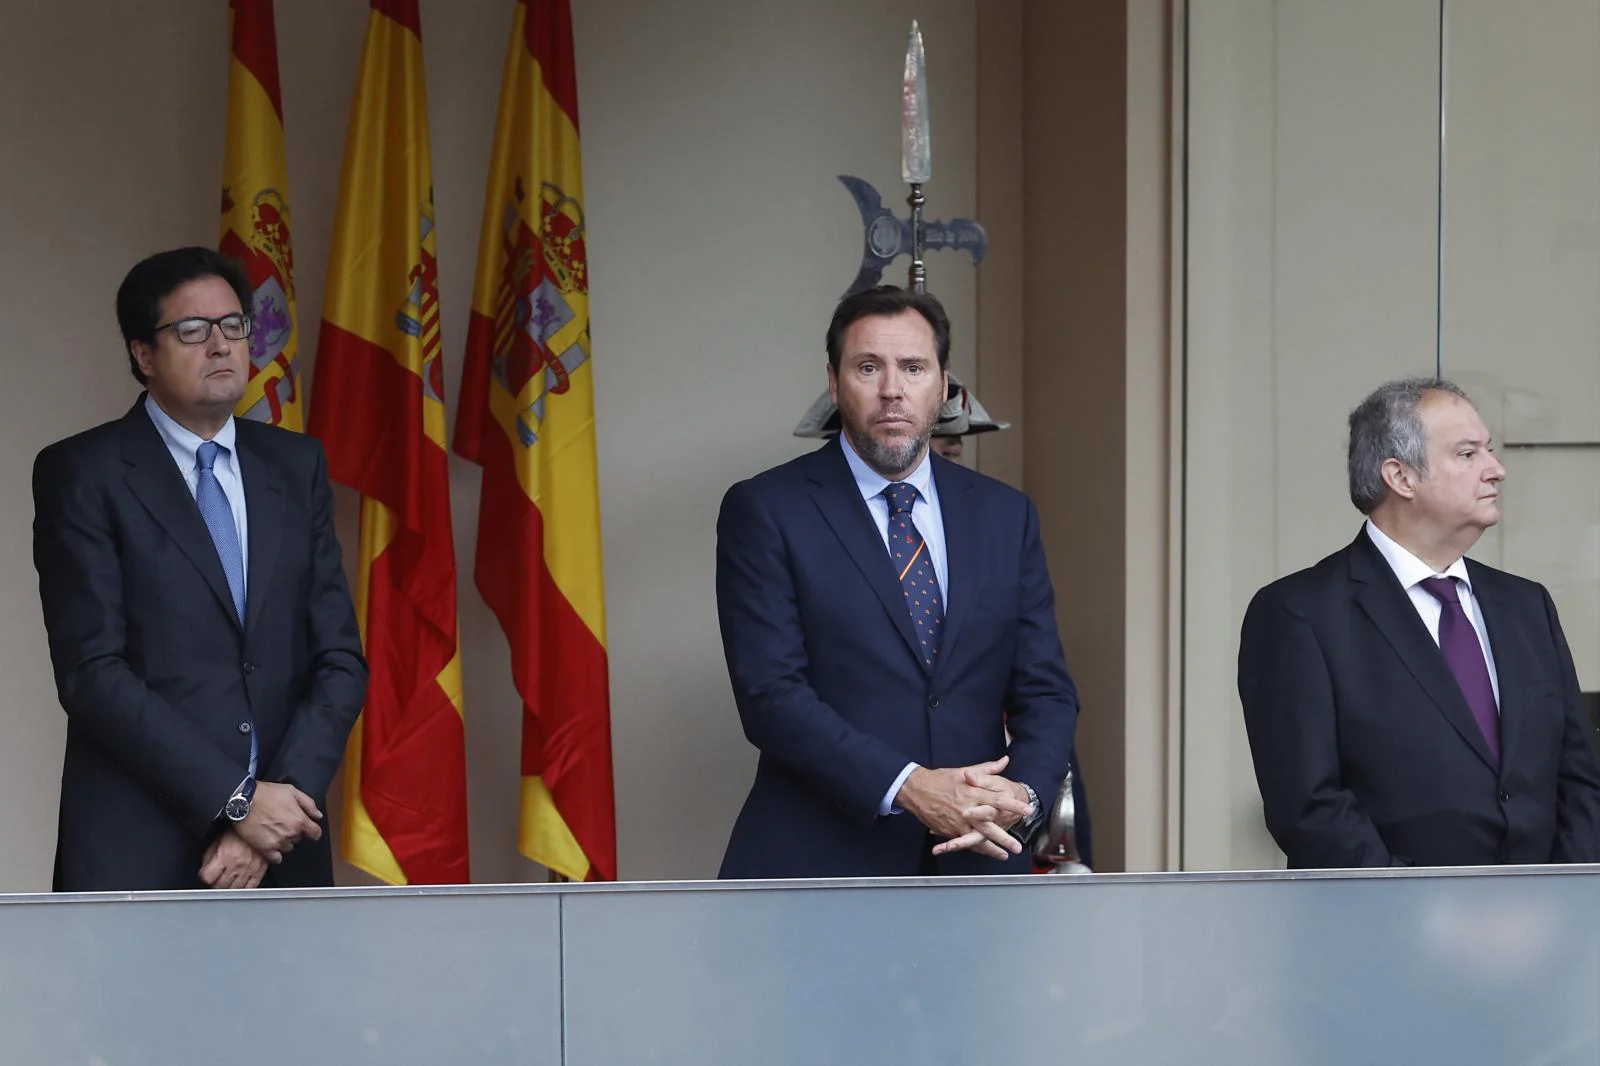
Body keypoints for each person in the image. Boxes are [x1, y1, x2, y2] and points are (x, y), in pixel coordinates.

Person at [715, 285, 1080, 878]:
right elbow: (770, 696)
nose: (892, 390)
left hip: (980, 866)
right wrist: (908, 786)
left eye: (913, 367)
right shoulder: (766, 509)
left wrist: (1023, 800)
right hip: (817, 870)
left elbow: (1046, 691)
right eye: (868, 367)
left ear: (942, 385)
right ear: (834, 384)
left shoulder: (1005, 515)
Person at [33, 246, 367, 891]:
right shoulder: (84, 472)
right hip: (136, 845)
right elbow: (92, 673)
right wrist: (234, 801)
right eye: (192, 330)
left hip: (282, 847)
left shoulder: (295, 469)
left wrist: (278, 807)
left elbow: (339, 659)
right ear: (142, 354)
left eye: (234, 325)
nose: (220, 345)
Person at [1238, 377, 1600, 868]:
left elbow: (1579, 776)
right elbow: (1307, 807)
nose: (1497, 470)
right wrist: (1427, 915)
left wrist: (1553, 895)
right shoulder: (1299, 614)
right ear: (1401, 477)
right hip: (1388, 931)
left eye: (1488, 451)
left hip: (1543, 923)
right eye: (1468, 454)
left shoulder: (1525, 605)